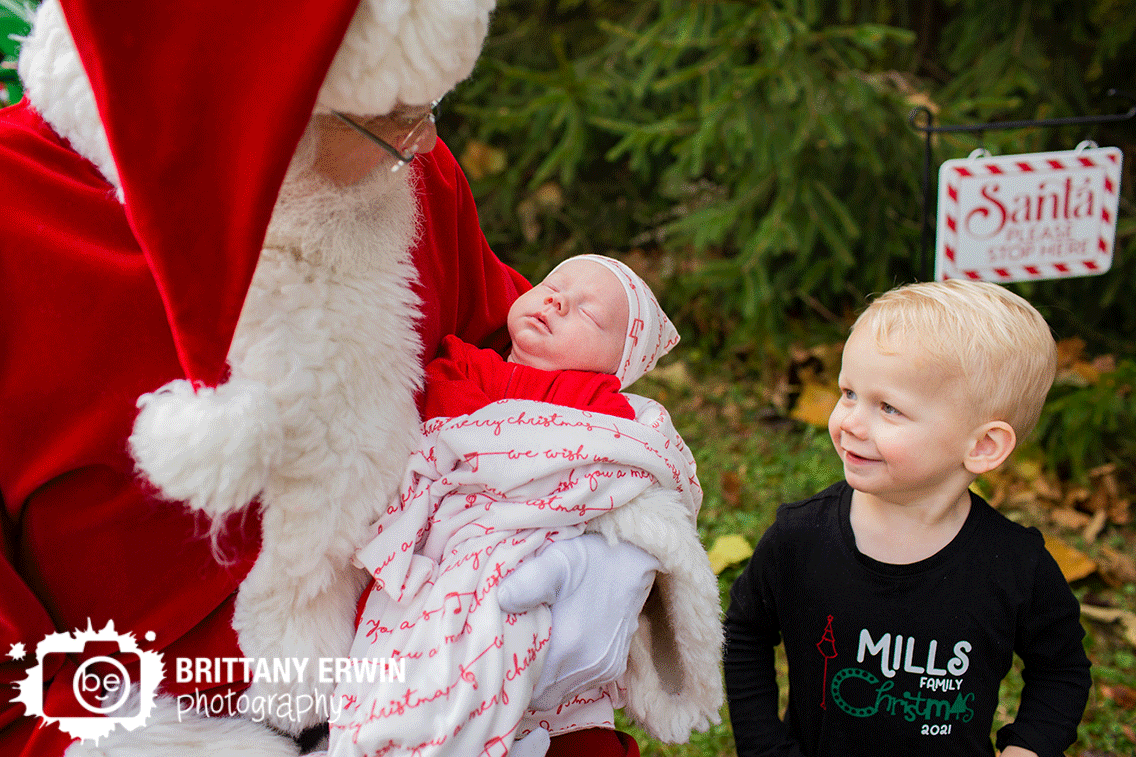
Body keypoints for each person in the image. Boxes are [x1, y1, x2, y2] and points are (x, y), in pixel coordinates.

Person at [0, 2, 722, 756]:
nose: (425, 143)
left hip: (440, 681)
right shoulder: (20, 218)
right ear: (260, 105)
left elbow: (517, 368)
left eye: (428, 106)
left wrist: (592, 533)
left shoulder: (402, 173)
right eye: (395, 117)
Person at [330, 254, 708, 756]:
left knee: (567, 716)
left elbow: (630, 463)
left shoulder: (603, 408)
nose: (557, 301)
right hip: (446, 553)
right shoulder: (463, 362)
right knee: (403, 658)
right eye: (554, 285)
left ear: (618, 364)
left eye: (589, 315)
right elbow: (433, 439)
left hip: (536, 562)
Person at [723, 280, 1092, 757]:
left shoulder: (1015, 565)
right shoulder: (800, 538)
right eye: (849, 392)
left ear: (982, 446)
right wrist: (764, 746)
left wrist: (1030, 748)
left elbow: (1061, 669)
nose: (849, 422)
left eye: (889, 407)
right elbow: (744, 633)